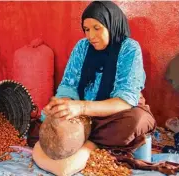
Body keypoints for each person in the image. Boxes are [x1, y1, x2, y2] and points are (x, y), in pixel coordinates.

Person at [33, 1, 156, 175]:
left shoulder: (129, 48)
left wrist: (81, 107)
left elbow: (125, 100)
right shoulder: (82, 47)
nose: (90, 35)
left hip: (113, 114)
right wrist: (62, 105)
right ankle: (90, 142)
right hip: (83, 115)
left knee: (136, 120)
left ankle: (87, 144)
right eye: (86, 29)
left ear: (112, 24)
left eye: (97, 28)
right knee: (46, 119)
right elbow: (69, 85)